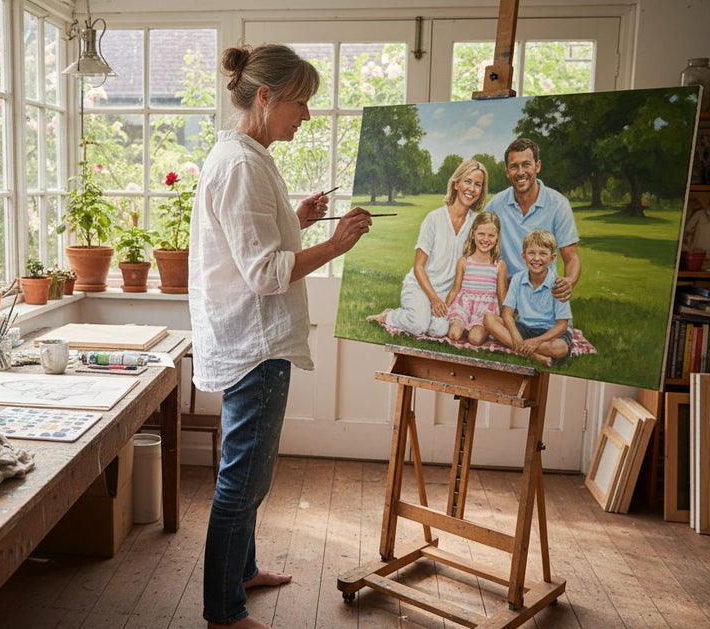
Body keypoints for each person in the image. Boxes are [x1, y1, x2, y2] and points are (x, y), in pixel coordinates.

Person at [189, 44, 373, 629]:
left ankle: (241, 572)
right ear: (265, 98)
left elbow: (255, 241)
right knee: (243, 480)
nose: (308, 116)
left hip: (252, 340)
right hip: (255, 346)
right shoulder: (242, 164)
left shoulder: (245, 154)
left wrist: (300, 219)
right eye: (301, 103)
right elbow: (266, 273)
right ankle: (224, 612)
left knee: (250, 475)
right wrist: (336, 245)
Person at [366, 159, 488, 337]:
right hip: (420, 287)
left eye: (477, 184)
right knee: (418, 325)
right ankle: (389, 315)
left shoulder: (476, 224)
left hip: (447, 292)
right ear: (456, 184)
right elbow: (418, 267)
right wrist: (433, 299)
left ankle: (417, 314)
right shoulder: (434, 219)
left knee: (439, 330)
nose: (472, 189)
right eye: (467, 181)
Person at [485, 138, 581, 302]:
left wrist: (569, 282)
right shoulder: (496, 205)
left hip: (543, 288)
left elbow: (571, 257)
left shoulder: (558, 204)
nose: (520, 172)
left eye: (526, 164)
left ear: (538, 166)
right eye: (514, 166)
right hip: (506, 290)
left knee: (555, 327)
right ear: (507, 171)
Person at [483, 229, 573, 366]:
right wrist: (516, 336)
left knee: (560, 349)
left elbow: (562, 325)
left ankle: (520, 347)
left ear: (552, 258)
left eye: (543, 253)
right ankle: (535, 355)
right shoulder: (517, 279)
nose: (536, 258)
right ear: (524, 256)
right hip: (524, 328)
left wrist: (536, 341)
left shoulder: (558, 285)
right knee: (489, 318)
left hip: (549, 333)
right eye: (531, 253)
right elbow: (507, 314)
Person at [444, 212, 507, 345]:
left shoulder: (499, 265)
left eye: (491, 235)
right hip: (463, 307)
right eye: (481, 234)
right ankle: (462, 325)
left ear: (497, 237)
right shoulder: (464, 261)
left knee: (475, 339)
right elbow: (455, 289)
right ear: (473, 234)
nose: (486, 239)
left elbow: (502, 296)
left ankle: (483, 330)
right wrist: (444, 308)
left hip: (484, 312)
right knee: (454, 334)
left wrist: (506, 321)